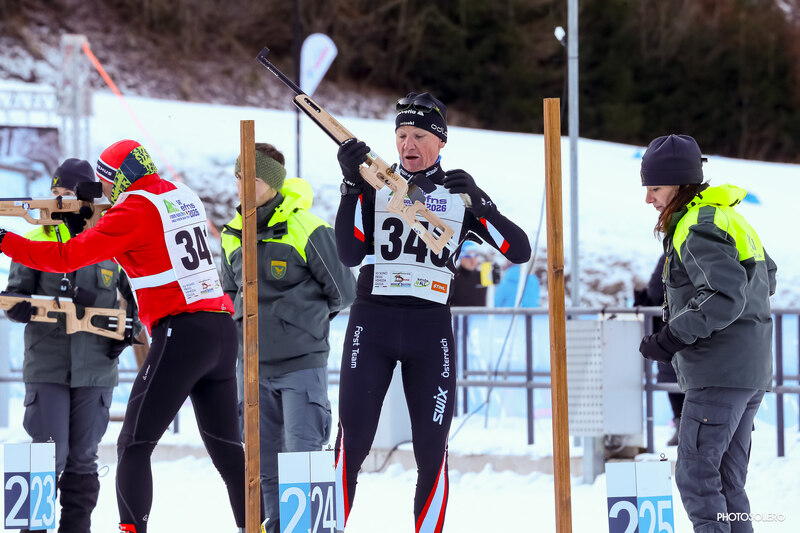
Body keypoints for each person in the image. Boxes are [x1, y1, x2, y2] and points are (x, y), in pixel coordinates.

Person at [0, 140, 246, 533]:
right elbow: (142, 247)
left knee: (132, 445)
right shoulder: (181, 194)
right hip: (219, 327)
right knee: (229, 452)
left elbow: (70, 257)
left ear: (118, 179)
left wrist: (4, 239)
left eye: (106, 184)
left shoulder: (133, 210)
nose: (105, 192)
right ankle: (255, 526)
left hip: (179, 332)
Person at [333, 91, 531, 531]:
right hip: (373, 323)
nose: (408, 144)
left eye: (420, 136)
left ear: (441, 142)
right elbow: (349, 254)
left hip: (430, 330)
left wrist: (482, 203)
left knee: (431, 449)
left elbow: (518, 250)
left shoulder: (458, 193)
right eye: (402, 134)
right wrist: (350, 187)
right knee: (353, 442)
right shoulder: (376, 183)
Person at [637, 134, 776, 533]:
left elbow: (722, 294)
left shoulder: (696, 226)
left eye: (655, 188)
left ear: (679, 184)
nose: (648, 199)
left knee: (697, 477)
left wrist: (671, 337)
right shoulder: (728, 217)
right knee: (727, 483)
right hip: (747, 372)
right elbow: (767, 277)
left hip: (717, 373)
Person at [220, 143, 356, 533]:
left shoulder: (308, 228)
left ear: (274, 182)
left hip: (301, 366)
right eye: (239, 177)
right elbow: (229, 292)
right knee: (264, 466)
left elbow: (344, 291)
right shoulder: (232, 234)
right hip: (252, 368)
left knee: (304, 461)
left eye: (253, 177)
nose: (243, 185)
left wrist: (299, 321)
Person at [3, 158, 140, 533]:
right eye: (55, 192)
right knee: (45, 454)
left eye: (67, 192)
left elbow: (137, 296)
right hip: (47, 364)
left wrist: (129, 331)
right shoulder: (36, 240)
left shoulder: (110, 241)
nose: (59, 199)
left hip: (97, 367)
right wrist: (20, 308)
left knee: (83, 459)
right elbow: (15, 296)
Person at [633, 252, 685, 446]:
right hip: (695, 334)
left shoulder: (669, 256)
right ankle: (686, 428)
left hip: (669, 333)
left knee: (674, 381)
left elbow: (654, 292)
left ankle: (681, 427)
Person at [450, 241, 494, 307]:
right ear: (460, 258)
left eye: (475, 255)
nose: (473, 260)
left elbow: (491, 298)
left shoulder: (483, 275)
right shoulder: (453, 277)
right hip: (457, 313)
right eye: (468, 256)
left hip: (480, 313)